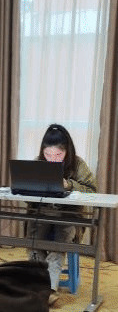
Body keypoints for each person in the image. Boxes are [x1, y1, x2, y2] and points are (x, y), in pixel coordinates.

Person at [28, 124, 97, 301]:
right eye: (48, 154)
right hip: (42, 213)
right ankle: (38, 285)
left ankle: (49, 290)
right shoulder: (38, 163)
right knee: (34, 240)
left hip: (68, 216)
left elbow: (92, 191)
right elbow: (28, 199)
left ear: (67, 151)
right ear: (43, 151)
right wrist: (30, 188)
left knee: (59, 243)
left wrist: (69, 184)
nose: (52, 159)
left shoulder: (78, 165)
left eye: (58, 155)